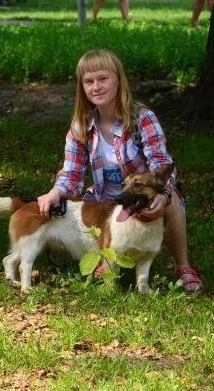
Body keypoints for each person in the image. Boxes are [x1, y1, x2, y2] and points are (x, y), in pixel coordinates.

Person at [36, 49, 202, 295]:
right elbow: (72, 173)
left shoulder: (142, 118)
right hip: (106, 199)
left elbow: (160, 162)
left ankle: (183, 267)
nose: (96, 87)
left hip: (142, 194)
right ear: (82, 87)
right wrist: (55, 192)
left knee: (172, 200)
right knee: (79, 213)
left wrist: (161, 194)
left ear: (118, 80)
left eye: (103, 78)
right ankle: (106, 259)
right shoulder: (80, 125)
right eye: (89, 81)